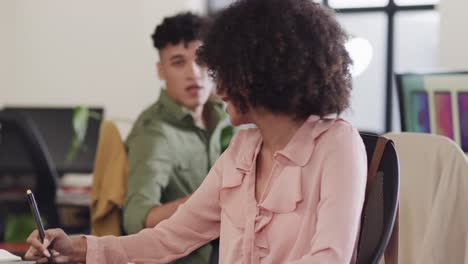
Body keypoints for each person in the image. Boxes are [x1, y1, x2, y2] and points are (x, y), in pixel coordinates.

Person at [25, 0, 367, 263]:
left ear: (261, 74)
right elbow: (168, 238)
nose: (216, 88)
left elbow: (329, 257)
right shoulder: (242, 149)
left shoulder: (337, 143)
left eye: (224, 73)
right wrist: (78, 248)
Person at [123, 12, 231, 264]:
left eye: (202, 61)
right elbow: (137, 219)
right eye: (178, 62)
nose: (193, 73)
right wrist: (211, 201)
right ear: (161, 71)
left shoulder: (226, 115)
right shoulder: (154, 132)